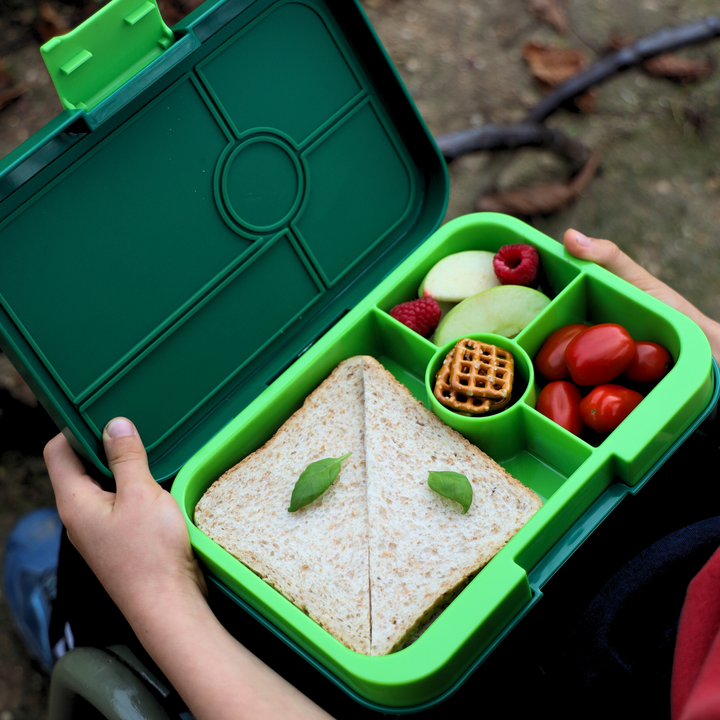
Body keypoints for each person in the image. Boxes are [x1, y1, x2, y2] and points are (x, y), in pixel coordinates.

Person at [3, 229, 720, 719]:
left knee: (115, 552)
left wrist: (157, 596)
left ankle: (93, 632)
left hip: (551, 682)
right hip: (676, 538)